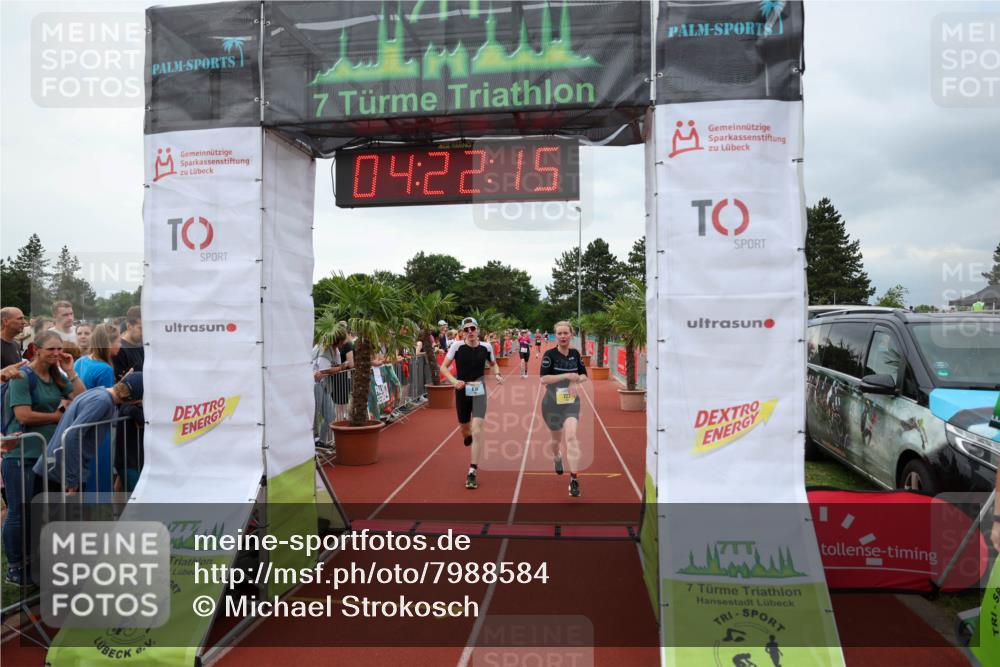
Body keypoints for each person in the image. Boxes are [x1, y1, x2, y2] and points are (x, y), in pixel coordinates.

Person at [1, 331, 85, 585]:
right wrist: (58, 418)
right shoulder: (22, 377)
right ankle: (15, 567)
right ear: (36, 349)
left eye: (60, 349)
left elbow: (82, 397)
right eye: (51, 349)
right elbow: (24, 416)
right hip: (22, 455)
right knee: (19, 511)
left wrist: (70, 370)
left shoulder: (57, 375)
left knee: (41, 510)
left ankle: (37, 561)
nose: (57, 353)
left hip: (47, 456)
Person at [34, 373, 143, 494]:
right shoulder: (103, 401)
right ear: (135, 400)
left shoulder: (99, 392)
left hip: (56, 468)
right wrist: (71, 479)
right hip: (60, 474)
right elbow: (72, 435)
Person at [439, 317, 503, 490]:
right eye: (466, 329)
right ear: (462, 332)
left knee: (477, 430)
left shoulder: (486, 347)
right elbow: (443, 367)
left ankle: (472, 470)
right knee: (465, 429)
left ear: (478, 329)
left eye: (472, 328)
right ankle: (467, 436)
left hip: (479, 391)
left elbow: (494, 364)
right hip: (461, 391)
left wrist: (497, 374)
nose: (470, 332)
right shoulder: (456, 346)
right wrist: (454, 381)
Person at [539, 321, 588, 497]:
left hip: (571, 402)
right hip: (551, 404)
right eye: (559, 333)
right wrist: (567, 375)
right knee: (556, 441)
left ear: (571, 334)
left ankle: (574, 479)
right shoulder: (549, 355)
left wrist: (576, 380)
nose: (563, 336)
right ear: (555, 335)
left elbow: (583, 375)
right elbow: (543, 379)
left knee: (572, 436)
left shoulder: (575, 354)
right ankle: (557, 457)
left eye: (566, 333)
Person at [74, 323, 122, 493]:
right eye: (118, 341)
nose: (120, 345)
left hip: (81, 422)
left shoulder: (80, 361)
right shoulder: (105, 369)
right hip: (100, 429)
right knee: (100, 475)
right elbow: (106, 401)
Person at [113, 306, 143, 380]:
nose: (144, 332)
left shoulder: (143, 346)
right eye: (140, 328)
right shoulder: (119, 350)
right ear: (129, 326)